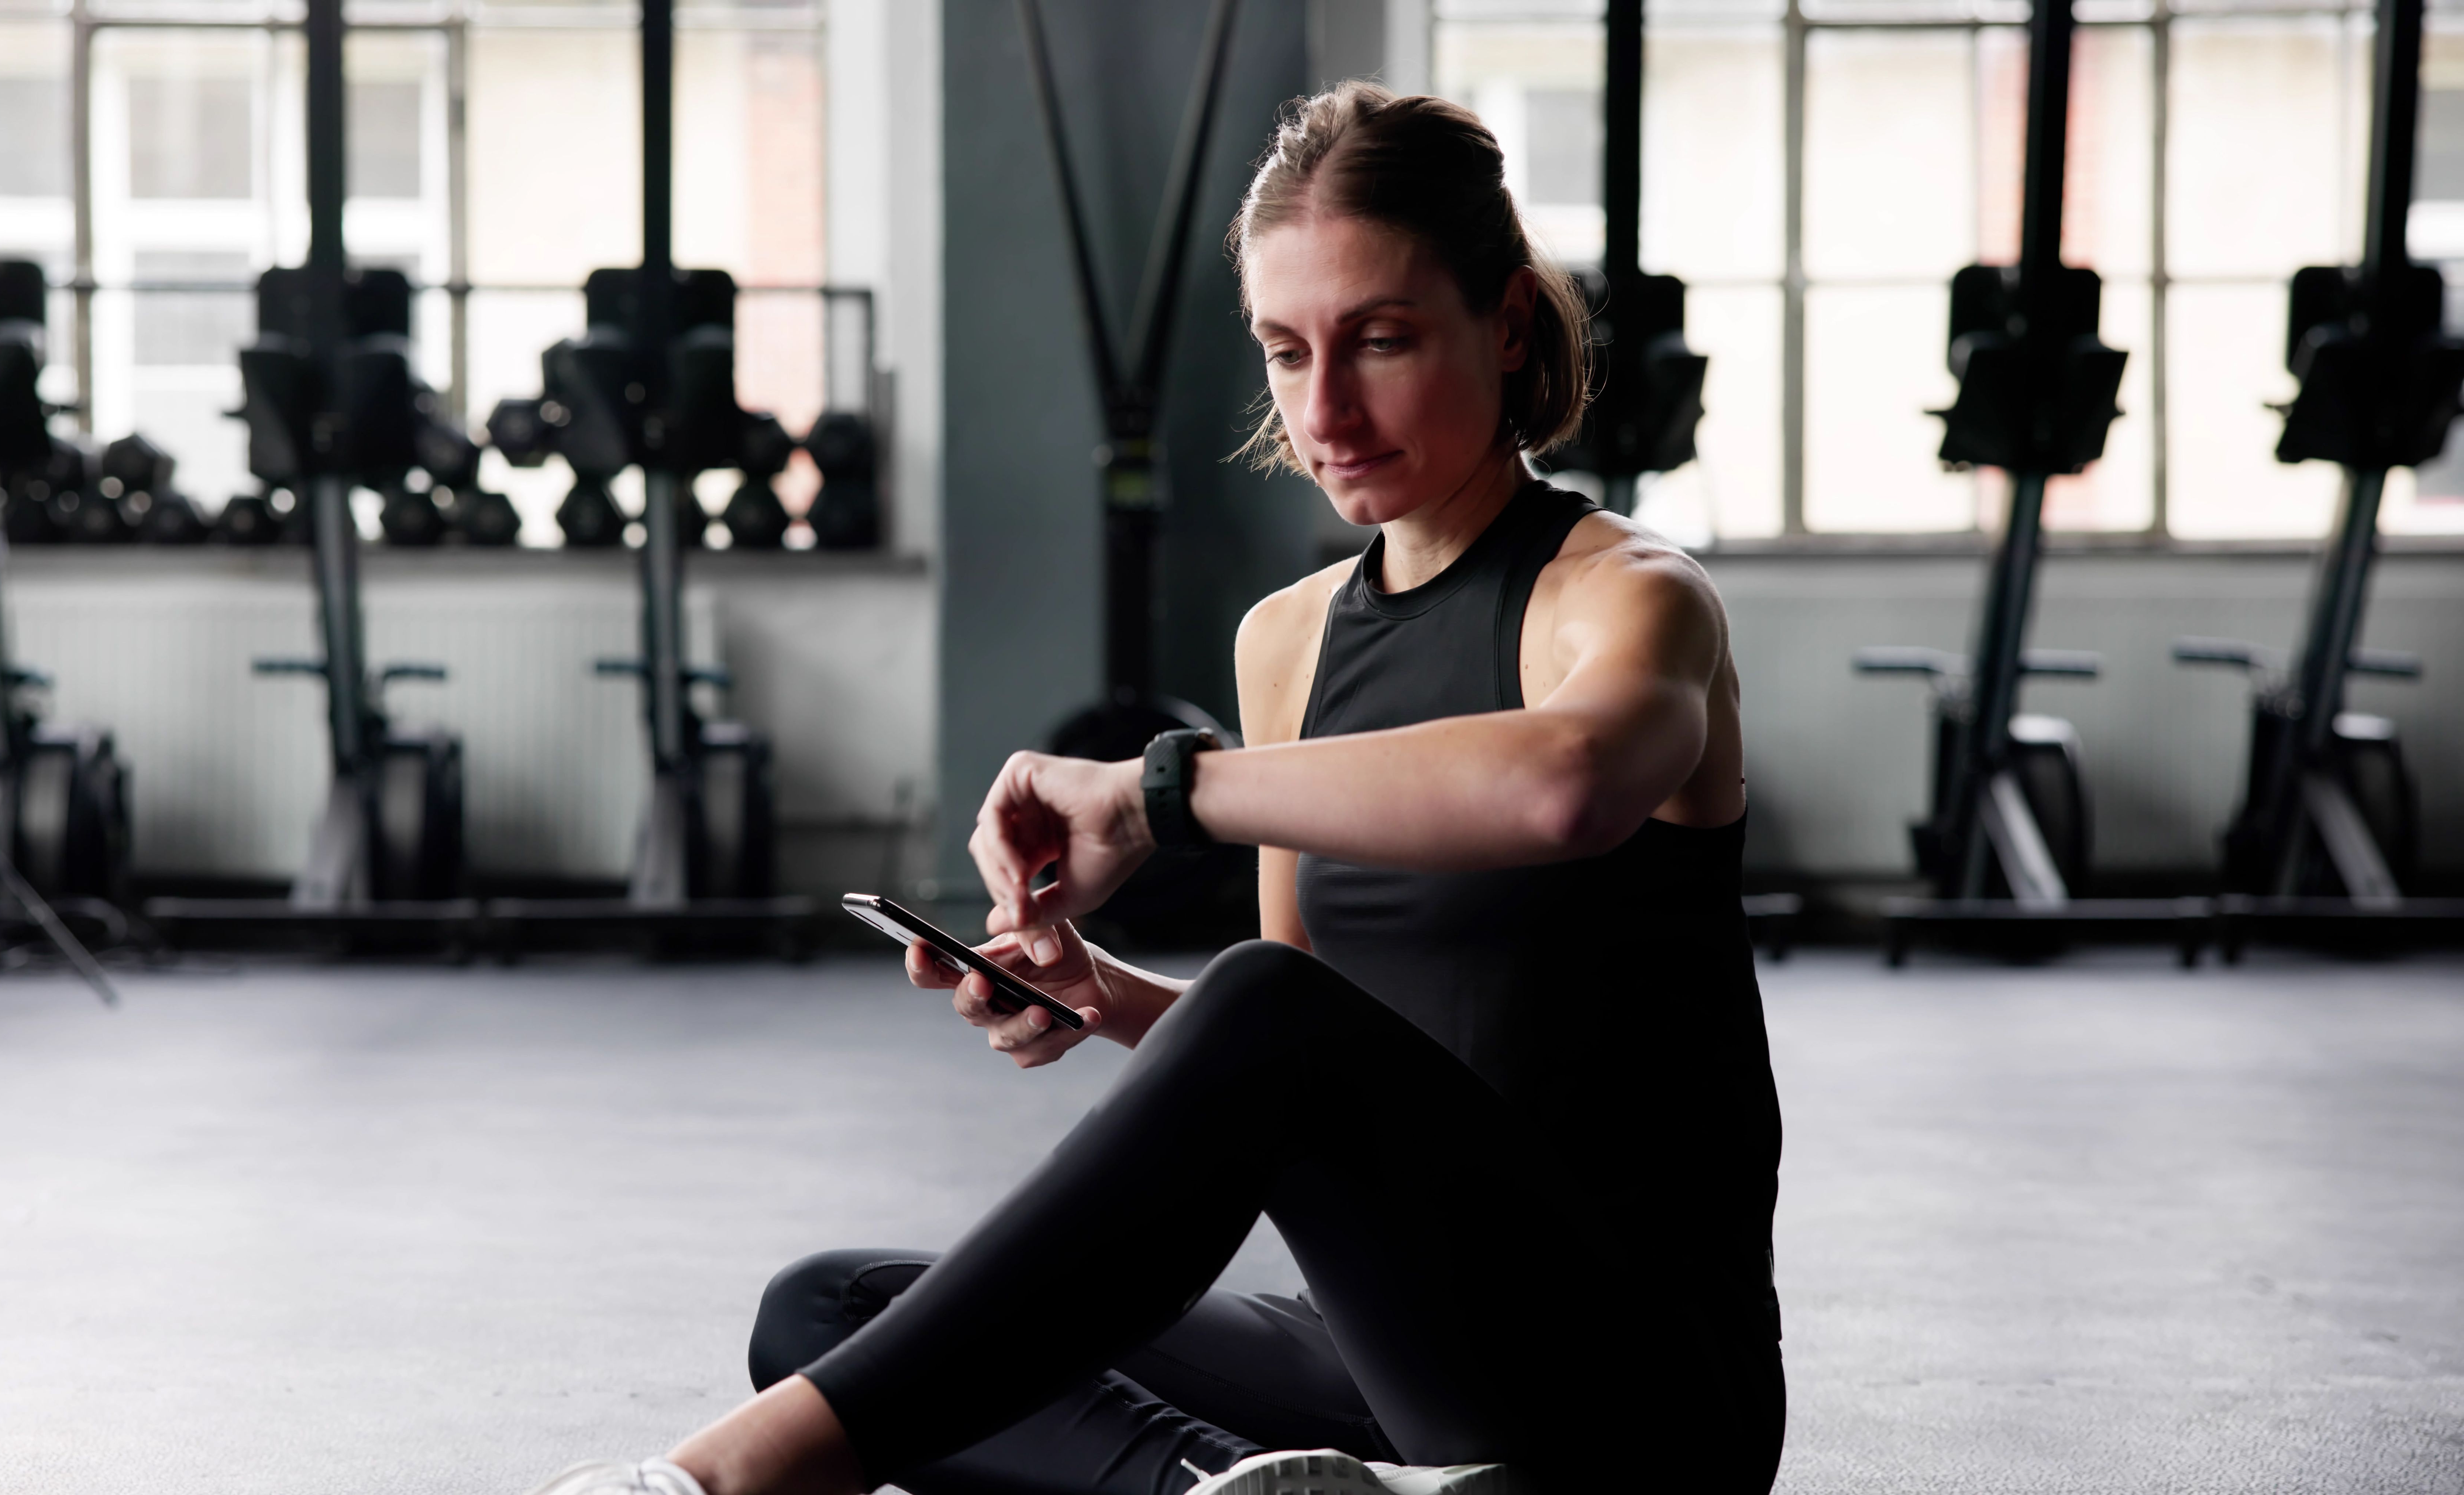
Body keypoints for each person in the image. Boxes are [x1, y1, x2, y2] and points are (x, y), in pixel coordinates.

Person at [533, 82, 1783, 1495]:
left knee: (1253, 1013)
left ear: (1503, 324)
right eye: (1284, 350)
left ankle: (728, 1478)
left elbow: (1570, 786)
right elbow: (1330, 1051)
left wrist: (1154, 793)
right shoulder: (1288, 638)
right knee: (827, 1311)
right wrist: (1106, 997)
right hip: (1391, 1359)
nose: (1327, 409)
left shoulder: (1626, 595)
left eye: (1381, 341)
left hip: (1641, 1391)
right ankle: (1216, 1493)